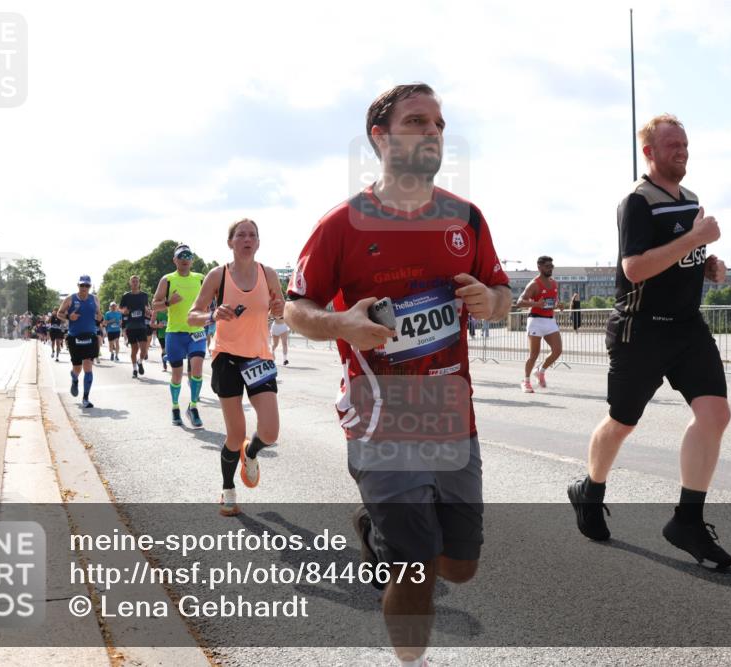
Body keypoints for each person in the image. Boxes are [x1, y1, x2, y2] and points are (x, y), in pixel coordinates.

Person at [284, 83, 511, 666]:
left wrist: (493, 300)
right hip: (381, 417)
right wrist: (342, 324)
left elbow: (503, 293)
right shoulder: (343, 225)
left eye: (438, 123)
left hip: (453, 419)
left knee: (459, 568)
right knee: (415, 573)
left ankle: (372, 531)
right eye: (417, 121)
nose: (433, 131)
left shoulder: (467, 218)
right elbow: (295, 308)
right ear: (380, 137)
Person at [568, 113, 731, 570]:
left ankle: (687, 520)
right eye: (671, 145)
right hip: (640, 330)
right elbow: (635, 268)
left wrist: (707, 263)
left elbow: (682, 255)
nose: (681, 151)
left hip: (687, 328)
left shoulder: (691, 199)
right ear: (649, 152)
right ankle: (590, 489)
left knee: (715, 414)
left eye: (684, 143)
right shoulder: (637, 201)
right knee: (622, 422)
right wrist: (696, 239)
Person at [190, 221, 284, 516]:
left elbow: (279, 304)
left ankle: (251, 452)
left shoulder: (268, 274)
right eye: (240, 235)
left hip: (259, 357)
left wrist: (280, 308)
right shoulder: (218, 275)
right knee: (234, 434)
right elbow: (193, 315)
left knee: (269, 432)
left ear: (258, 242)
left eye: (252, 235)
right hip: (227, 357)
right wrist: (211, 314)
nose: (247, 239)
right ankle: (228, 488)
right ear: (230, 242)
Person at [152, 244, 207, 428]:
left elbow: (213, 298)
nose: (185, 258)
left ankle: (193, 407)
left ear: (192, 259)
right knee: (176, 375)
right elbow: (154, 305)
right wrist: (168, 302)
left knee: (197, 370)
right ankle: (175, 407)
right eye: (180, 256)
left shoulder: (200, 278)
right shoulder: (167, 280)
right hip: (175, 333)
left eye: (188, 255)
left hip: (197, 332)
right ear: (175, 260)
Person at [516, 255, 563, 391]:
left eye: (551, 266)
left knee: (557, 350)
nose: (550, 269)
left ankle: (540, 371)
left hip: (550, 320)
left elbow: (550, 304)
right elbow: (519, 302)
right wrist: (535, 303)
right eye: (547, 266)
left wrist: (558, 305)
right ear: (539, 267)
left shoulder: (554, 283)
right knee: (533, 354)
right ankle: (525, 381)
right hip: (535, 320)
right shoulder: (534, 284)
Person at [57, 275, 103, 409]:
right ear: (78, 285)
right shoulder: (70, 299)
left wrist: (100, 317)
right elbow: (59, 313)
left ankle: (86, 398)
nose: (84, 288)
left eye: (87, 286)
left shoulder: (94, 299)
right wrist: (68, 317)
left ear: (89, 286)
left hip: (90, 335)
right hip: (74, 337)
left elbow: (99, 315)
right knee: (77, 368)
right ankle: (74, 377)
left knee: (88, 367)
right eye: (82, 285)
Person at [120, 275, 151, 379]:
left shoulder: (144, 295)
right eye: (133, 281)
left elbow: (147, 308)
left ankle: (140, 361)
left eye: (136, 281)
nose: (135, 283)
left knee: (143, 350)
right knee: (134, 349)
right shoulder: (126, 296)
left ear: (139, 283)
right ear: (130, 283)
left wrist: (148, 311)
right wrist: (124, 311)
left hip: (141, 325)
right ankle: (134, 369)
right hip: (131, 326)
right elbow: (121, 309)